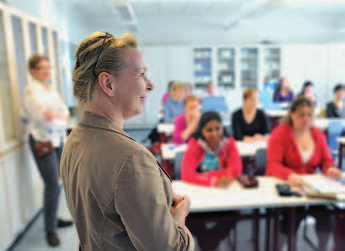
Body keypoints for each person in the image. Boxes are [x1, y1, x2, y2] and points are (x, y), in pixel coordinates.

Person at [60, 32, 194, 251]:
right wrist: (179, 216)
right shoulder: (131, 159)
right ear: (108, 83)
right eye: (141, 74)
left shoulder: (75, 139)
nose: (149, 85)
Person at [266, 96, 341, 251]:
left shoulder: (317, 134)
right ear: (292, 114)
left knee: (328, 215)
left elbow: (326, 160)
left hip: (312, 188)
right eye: (301, 115)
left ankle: (322, 248)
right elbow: (273, 165)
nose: (306, 119)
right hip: (290, 186)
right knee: (289, 218)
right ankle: (279, 247)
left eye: (309, 115)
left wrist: (330, 168)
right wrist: (289, 175)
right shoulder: (280, 133)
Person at [23, 55, 73, 247]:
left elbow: (64, 113)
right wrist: (58, 117)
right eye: (42, 68)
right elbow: (43, 119)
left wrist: (58, 116)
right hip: (42, 141)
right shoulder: (31, 92)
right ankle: (50, 229)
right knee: (52, 183)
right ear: (32, 71)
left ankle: (53, 219)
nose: (46, 71)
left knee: (57, 182)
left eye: (48, 67)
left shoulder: (49, 89)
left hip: (57, 140)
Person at [181, 111, 241, 251]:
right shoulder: (195, 143)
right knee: (189, 217)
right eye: (209, 130)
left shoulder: (229, 142)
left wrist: (205, 175)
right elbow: (186, 174)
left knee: (234, 214)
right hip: (198, 198)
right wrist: (214, 180)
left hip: (223, 197)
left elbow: (236, 170)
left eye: (218, 128)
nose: (215, 133)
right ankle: (208, 242)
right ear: (201, 131)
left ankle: (207, 242)